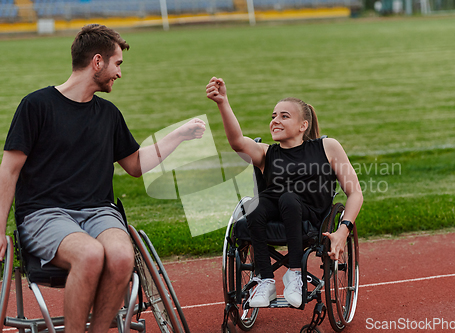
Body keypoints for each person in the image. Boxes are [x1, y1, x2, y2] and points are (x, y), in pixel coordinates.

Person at [0, 24, 205, 333]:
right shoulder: (37, 106)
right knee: (91, 254)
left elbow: (135, 164)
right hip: (44, 214)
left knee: (122, 257)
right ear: (97, 62)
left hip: (98, 211)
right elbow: (9, 169)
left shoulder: (108, 114)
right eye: (117, 63)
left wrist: (179, 135)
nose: (119, 73)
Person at [206, 77, 363, 308]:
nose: (275, 121)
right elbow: (238, 142)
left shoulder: (326, 147)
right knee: (255, 204)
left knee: (289, 198)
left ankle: (295, 275)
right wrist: (223, 102)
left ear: (303, 126)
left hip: (311, 216)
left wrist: (342, 230)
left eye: (284, 116)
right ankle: (265, 280)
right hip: (273, 213)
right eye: (273, 116)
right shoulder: (266, 153)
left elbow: (355, 193)